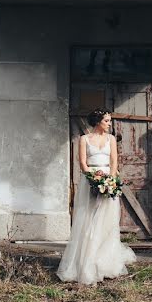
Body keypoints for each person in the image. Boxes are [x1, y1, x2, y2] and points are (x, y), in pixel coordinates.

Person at [57, 108, 136, 285]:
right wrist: (94, 178)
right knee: (89, 219)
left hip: (108, 180)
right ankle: (86, 261)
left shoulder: (111, 139)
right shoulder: (84, 140)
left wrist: (110, 179)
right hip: (91, 180)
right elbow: (82, 163)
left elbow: (114, 162)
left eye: (110, 121)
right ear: (98, 122)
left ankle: (106, 262)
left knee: (106, 220)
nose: (110, 124)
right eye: (107, 121)